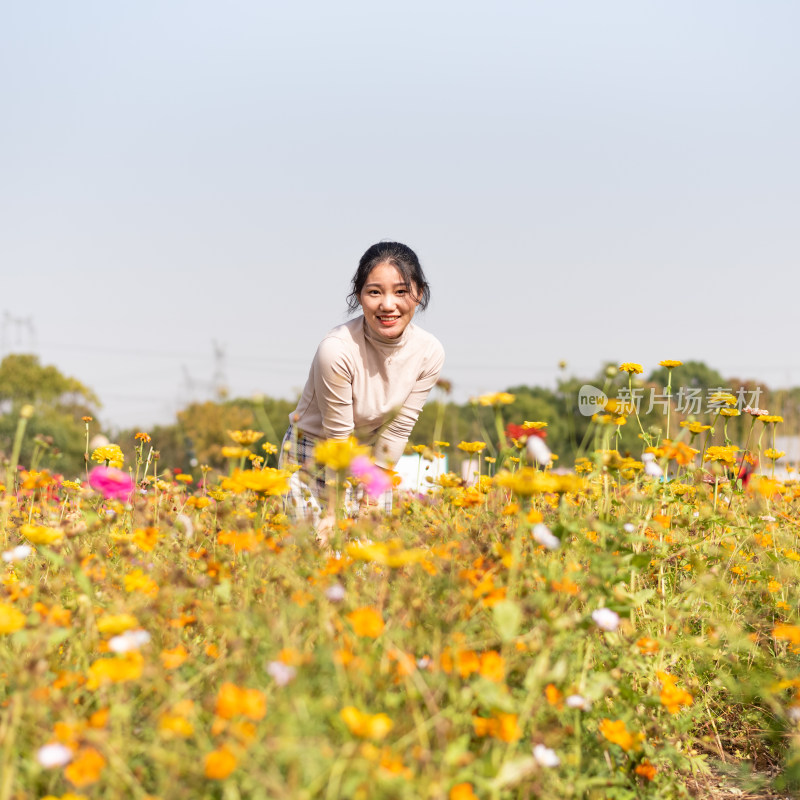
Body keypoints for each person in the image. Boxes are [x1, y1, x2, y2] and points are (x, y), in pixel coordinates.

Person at [280, 241, 445, 540]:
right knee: (313, 555)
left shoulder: (430, 352)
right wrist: (333, 512)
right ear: (359, 296)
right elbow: (338, 438)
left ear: (419, 294)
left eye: (400, 291)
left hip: (374, 458)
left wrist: (369, 499)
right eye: (374, 292)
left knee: (367, 565)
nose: (388, 305)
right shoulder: (336, 350)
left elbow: (398, 430)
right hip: (314, 451)